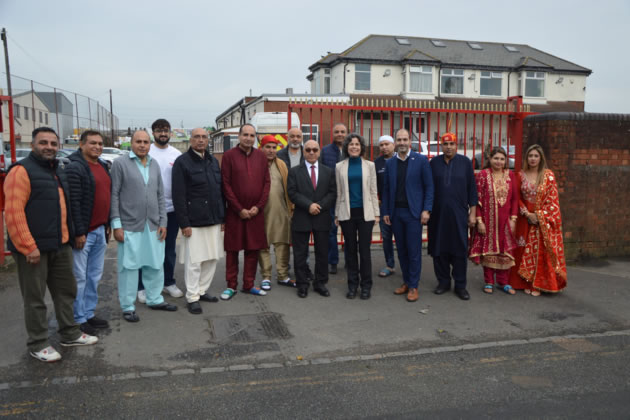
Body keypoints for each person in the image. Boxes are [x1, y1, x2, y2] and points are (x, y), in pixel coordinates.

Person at [5, 127, 97, 362]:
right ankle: (38, 343)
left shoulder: (57, 170)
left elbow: (65, 208)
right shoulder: (21, 171)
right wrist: (28, 245)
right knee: (35, 300)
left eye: (53, 143)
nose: (49, 147)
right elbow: (14, 212)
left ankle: (69, 333)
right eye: (43, 142)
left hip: (60, 245)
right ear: (33, 145)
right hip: (34, 250)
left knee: (66, 292)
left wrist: (72, 236)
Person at [111, 130, 177, 322]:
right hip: (130, 224)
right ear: (131, 143)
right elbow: (114, 195)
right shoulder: (120, 164)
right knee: (129, 268)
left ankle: (155, 299)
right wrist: (116, 225)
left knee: (155, 264)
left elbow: (160, 196)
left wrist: (163, 222)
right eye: (138, 141)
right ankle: (128, 305)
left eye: (145, 142)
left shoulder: (154, 164)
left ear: (150, 144)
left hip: (154, 225)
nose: (142, 145)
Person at [172, 128, 225, 315]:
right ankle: (192, 296)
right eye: (197, 137)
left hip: (213, 218)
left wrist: (222, 217)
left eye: (204, 137)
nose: (201, 140)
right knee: (195, 262)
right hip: (193, 221)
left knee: (212, 258)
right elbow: (178, 196)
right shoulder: (182, 163)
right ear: (191, 140)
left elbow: (219, 191)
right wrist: (184, 223)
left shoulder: (212, 162)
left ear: (208, 139)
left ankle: (202, 290)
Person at [66, 130, 112, 334]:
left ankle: (89, 313)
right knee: (79, 278)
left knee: (94, 275)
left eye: (100, 144)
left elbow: (105, 196)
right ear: (82, 144)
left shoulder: (101, 165)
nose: (98, 147)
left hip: (100, 229)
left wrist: (108, 223)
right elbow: (73, 203)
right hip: (84, 233)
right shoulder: (75, 167)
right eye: (93, 143)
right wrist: (78, 232)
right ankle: (78, 318)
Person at [382, 128, 434, 302]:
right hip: (396, 213)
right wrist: (386, 212)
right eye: (399, 139)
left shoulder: (420, 160)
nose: (402, 142)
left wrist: (426, 209)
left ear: (410, 142)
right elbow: (387, 189)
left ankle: (413, 286)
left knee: (413, 251)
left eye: (405, 139)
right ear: (395, 142)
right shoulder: (390, 163)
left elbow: (429, 186)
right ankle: (406, 281)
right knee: (402, 250)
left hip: (414, 214)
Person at [221, 123, 271, 300]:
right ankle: (231, 286)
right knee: (232, 250)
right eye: (245, 135)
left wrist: (258, 206)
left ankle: (249, 284)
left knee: (253, 249)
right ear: (239, 136)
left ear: (255, 137)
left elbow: (266, 183)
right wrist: (239, 208)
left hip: (256, 212)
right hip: (236, 212)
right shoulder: (228, 156)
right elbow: (225, 185)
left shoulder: (261, 157)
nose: (248, 138)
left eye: (252, 135)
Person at [509, 144, 567, 295]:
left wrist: (539, 215)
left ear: (541, 158)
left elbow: (553, 201)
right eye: (530, 156)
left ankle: (537, 284)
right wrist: (527, 214)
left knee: (539, 251)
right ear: (526, 158)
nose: (533, 159)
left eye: (536, 156)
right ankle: (522, 282)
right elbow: (517, 197)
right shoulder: (520, 175)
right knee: (522, 248)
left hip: (542, 218)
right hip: (524, 217)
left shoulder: (548, 175)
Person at [137, 119, 183, 304]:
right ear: (152, 133)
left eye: (165, 130)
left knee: (169, 249)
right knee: (147, 249)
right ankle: (142, 286)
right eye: (158, 131)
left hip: (171, 210)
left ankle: (168, 282)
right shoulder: (146, 152)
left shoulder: (177, 154)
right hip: (148, 210)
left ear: (170, 133)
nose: (162, 134)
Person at [428, 132, 478, 301]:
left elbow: (472, 190)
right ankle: (443, 282)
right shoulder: (433, 163)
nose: (449, 147)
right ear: (441, 145)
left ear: (457, 145)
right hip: (437, 215)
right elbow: (428, 188)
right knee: (438, 249)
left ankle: (460, 285)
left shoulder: (465, 163)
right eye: (445, 144)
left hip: (459, 215)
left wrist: (473, 214)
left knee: (459, 250)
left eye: (452, 143)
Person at [288, 140, 337, 298]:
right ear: (304, 151)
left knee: (322, 252)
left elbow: (332, 193)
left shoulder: (328, 171)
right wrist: (309, 205)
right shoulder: (294, 171)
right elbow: (292, 193)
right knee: (300, 253)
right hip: (302, 217)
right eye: (308, 149)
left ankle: (320, 283)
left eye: (314, 149)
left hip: (321, 217)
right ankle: (302, 284)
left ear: (319, 152)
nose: (311, 152)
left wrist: (319, 206)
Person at [335, 134, 379, 299]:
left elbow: (374, 191)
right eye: (351, 144)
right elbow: (339, 192)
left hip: (365, 213)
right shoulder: (339, 166)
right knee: (350, 251)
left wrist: (376, 213)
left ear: (361, 147)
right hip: (347, 213)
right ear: (347, 147)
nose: (354, 147)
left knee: (365, 251)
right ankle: (352, 285)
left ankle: (366, 286)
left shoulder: (370, 166)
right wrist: (337, 214)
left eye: (357, 144)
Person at [468, 146, 518, 295]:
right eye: (496, 158)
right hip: (488, 221)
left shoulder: (510, 175)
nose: (499, 161)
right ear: (489, 159)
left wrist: (513, 218)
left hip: (505, 221)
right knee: (488, 250)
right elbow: (478, 199)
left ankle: (503, 282)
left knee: (505, 250)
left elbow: (515, 199)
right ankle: (489, 281)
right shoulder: (483, 175)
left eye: (502, 159)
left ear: (506, 161)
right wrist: (479, 220)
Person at [257, 135, 294, 290]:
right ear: (261, 148)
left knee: (282, 243)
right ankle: (266, 276)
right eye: (268, 147)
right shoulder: (255, 164)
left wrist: (290, 207)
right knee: (263, 244)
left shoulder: (281, 164)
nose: (271, 150)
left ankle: (283, 275)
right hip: (260, 211)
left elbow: (288, 187)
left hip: (281, 210)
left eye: (274, 147)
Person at [321, 123, 348, 274]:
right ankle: (333, 262)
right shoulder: (324, 151)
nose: (340, 134)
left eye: (342, 132)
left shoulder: (352, 150)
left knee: (349, 231)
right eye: (337, 132)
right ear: (333, 133)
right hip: (331, 198)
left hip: (348, 198)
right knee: (331, 231)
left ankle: (350, 261)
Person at [374, 135, 396, 278]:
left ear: (393, 145)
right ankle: (390, 265)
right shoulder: (377, 163)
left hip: (401, 206)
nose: (384, 147)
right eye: (381, 145)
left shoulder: (400, 160)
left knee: (402, 238)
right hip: (384, 207)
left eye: (387, 144)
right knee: (386, 237)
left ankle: (407, 265)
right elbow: (373, 184)